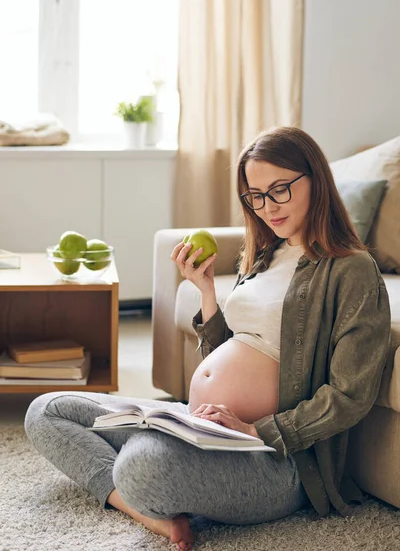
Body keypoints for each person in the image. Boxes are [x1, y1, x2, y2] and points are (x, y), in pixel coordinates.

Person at [24, 126, 391, 551]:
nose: (266, 207)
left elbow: (350, 395)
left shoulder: (352, 270)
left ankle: (146, 472)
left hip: (275, 462)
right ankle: (142, 506)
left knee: (142, 467)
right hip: (199, 425)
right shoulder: (265, 254)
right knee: (45, 410)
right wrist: (206, 292)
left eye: (279, 190)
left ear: (316, 179)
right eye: (254, 195)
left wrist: (256, 429)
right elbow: (231, 350)